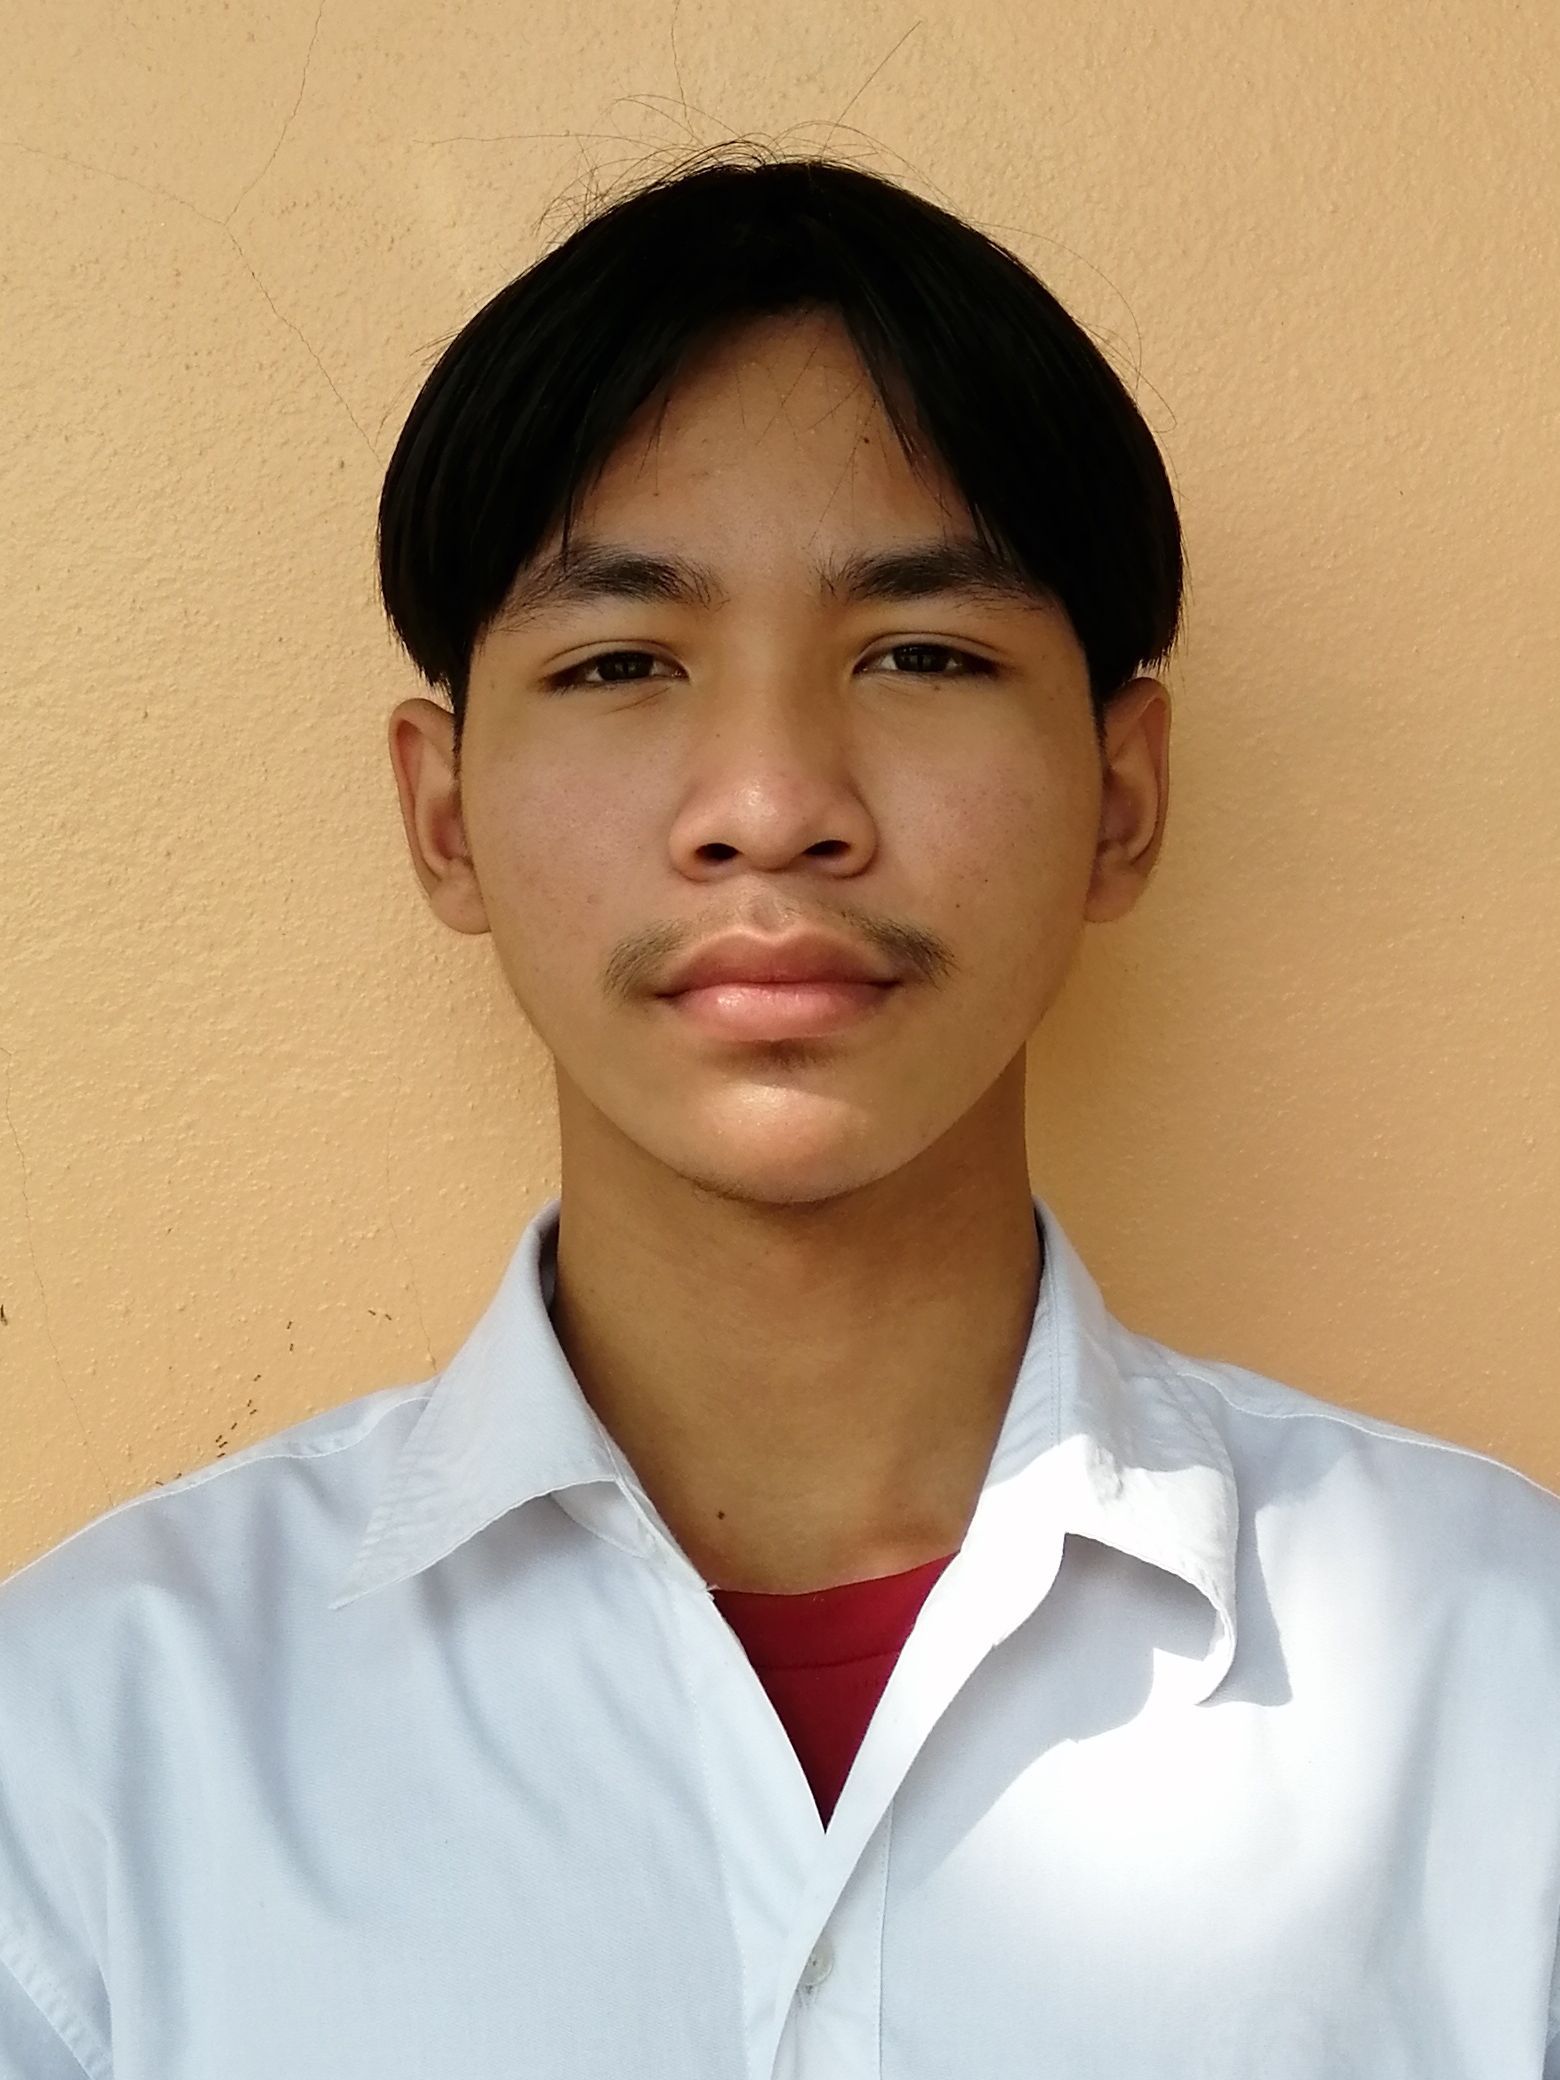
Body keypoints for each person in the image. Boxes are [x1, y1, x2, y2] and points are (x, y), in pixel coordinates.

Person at [2, 141, 1557, 2080]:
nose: (769, 802)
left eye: (921, 653)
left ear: (1123, 796)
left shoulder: (1498, 1686)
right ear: (443, 812)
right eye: (620, 661)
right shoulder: (89, 1748)